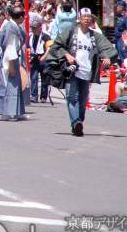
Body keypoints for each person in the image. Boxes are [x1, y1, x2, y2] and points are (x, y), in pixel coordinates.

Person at [46, 7, 118, 137]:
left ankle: (79, 121)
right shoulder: (70, 32)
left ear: (91, 19)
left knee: (83, 100)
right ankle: (76, 123)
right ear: (79, 18)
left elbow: (107, 48)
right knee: (71, 97)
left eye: (88, 17)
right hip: (73, 71)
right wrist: (66, 54)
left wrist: (107, 57)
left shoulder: (95, 36)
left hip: (87, 72)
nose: (86, 19)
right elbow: (56, 46)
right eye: (84, 17)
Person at [0, 7, 29, 121]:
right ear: (21, 17)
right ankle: (10, 112)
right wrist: (11, 66)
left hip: (11, 57)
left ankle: (16, 111)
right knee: (11, 86)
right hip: (9, 59)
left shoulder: (11, 26)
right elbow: (10, 48)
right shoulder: (12, 28)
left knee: (14, 85)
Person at [28, 13, 52, 104]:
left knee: (44, 78)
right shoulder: (30, 36)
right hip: (34, 59)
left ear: (40, 27)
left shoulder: (46, 36)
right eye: (32, 28)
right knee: (33, 78)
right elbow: (27, 47)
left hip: (44, 59)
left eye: (35, 27)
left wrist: (44, 56)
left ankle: (43, 96)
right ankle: (34, 96)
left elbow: (50, 47)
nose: (33, 29)